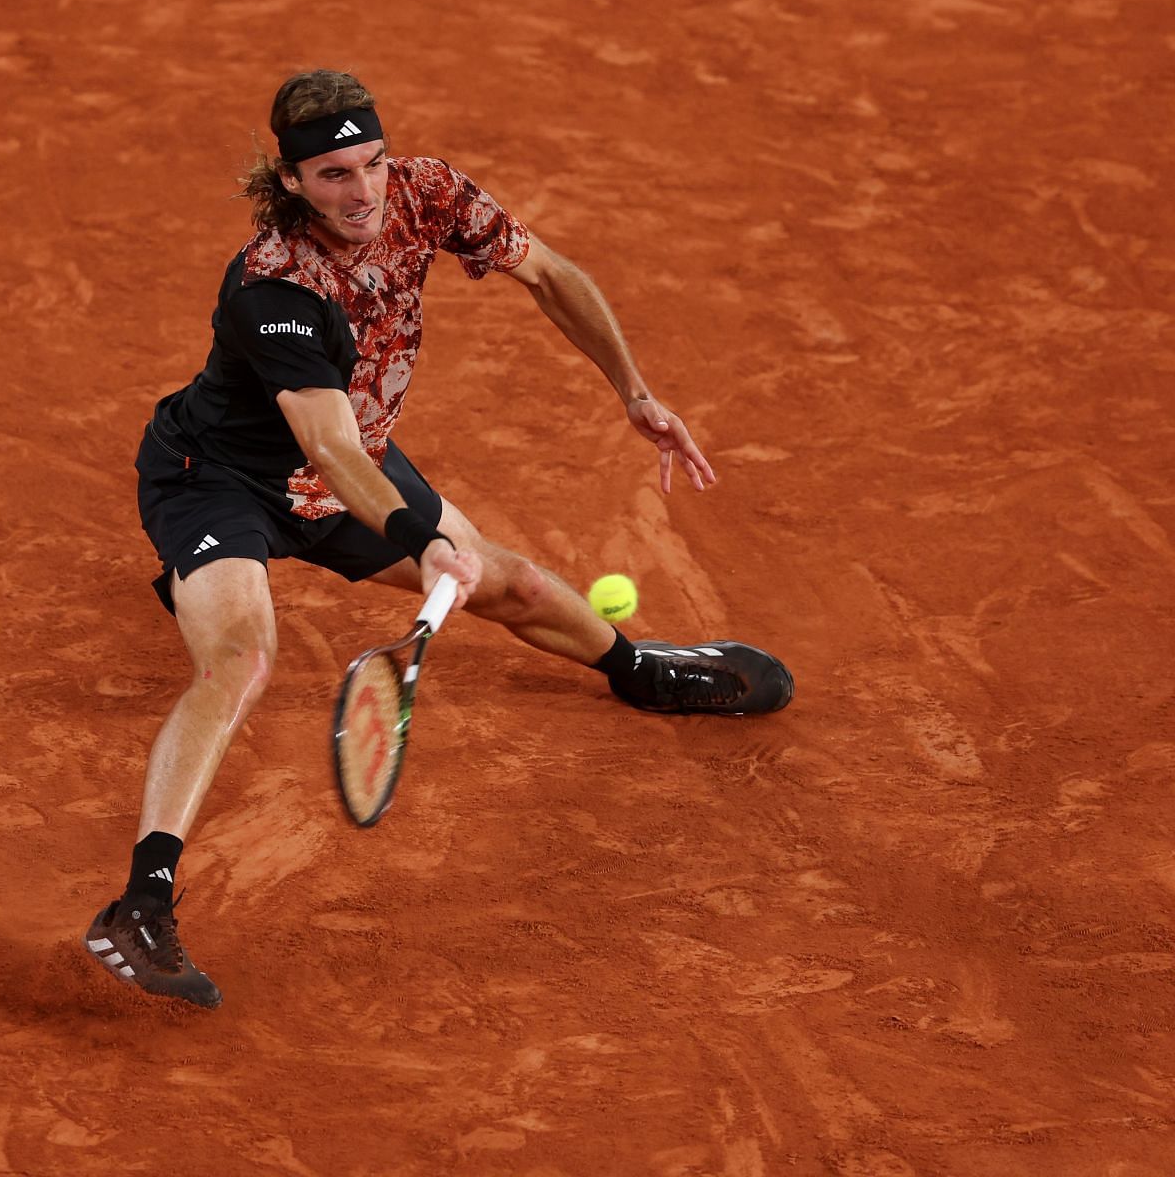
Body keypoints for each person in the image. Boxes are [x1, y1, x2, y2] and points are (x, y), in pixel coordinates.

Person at [83, 70, 793, 1009]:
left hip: (358, 469)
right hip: (224, 480)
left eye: (372, 162)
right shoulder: (274, 285)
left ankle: (637, 670)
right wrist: (422, 536)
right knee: (243, 658)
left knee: (515, 586)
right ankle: (141, 900)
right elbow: (327, 447)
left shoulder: (429, 194)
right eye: (334, 174)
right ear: (290, 181)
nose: (364, 191)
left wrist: (635, 391)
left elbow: (550, 274)